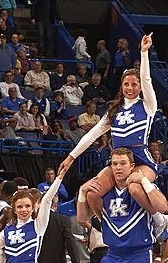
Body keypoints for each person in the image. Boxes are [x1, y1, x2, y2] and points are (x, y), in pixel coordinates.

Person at [59, 34, 159, 221]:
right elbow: (91, 135)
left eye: (134, 84)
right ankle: (106, 225)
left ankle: (157, 218)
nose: (130, 88)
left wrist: (143, 53)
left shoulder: (148, 106)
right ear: (121, 86)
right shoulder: (113, 110)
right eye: (126, 84)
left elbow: (147, 80)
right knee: (92, 194)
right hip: (118, 161)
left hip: (140, 160)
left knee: (134, 186)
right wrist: (70, 157)